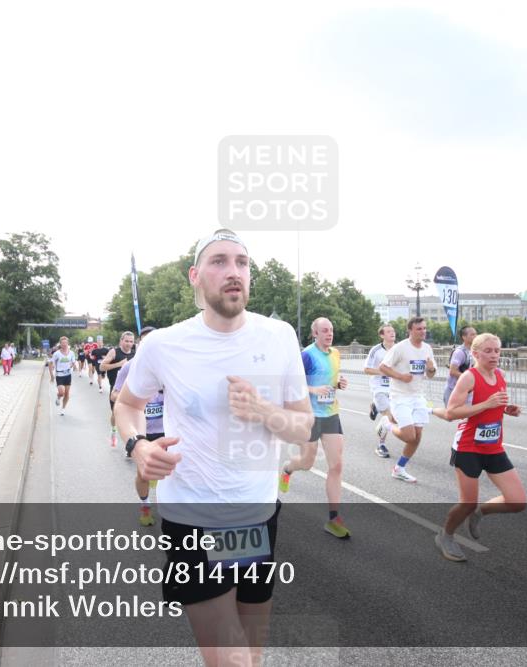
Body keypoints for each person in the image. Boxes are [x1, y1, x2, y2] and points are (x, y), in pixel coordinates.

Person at [114, 229, 312, 667]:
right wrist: (138, 446)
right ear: (195, 276)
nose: (233, 271)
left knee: (251, 656)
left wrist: (264, 410)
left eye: (242, 262)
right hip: (194, 522)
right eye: (219, 261)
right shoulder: (163, 344)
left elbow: (303, 427)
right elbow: (126, 405)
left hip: (257, 518)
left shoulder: (279, 336)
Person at [435, 333, 525, 562]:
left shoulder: (500, 375)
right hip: (468, 447)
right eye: (488, 351)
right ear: (475, 354)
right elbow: (451, 412)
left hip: (493, 446)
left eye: (497, 350)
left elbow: (494, 406)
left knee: (517, 501)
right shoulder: (469, 377)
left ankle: (480, 512)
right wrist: (487, 404)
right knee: (467, 502)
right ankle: (446, 536)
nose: (494, 355)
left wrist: (506, 409)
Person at [279, 317, 351, 538]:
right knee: (307, 463)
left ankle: (334, 519)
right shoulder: (307, 355)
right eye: (324, 330)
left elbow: (330, 380)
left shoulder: (336, 354)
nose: (329, 334)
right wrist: (313, 390)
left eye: (331, 330)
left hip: (331, 414)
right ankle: (288, 469)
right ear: (315, 334)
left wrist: (338, 384)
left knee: (336, 466)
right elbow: (291, 383)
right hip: (309, 416)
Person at [111, 326, 162, 526]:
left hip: (166, 428)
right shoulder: (130, 367)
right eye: (145, 341)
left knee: (176, 473)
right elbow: (114, 395)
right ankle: (145, 507)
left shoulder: (170, 365)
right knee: (143, 474)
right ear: (140, 344)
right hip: (142, 430)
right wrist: (132, 398)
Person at [379, 317, 437, 483]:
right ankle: (387, 424)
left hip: (417, 396)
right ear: (410, 330)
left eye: (424, 328)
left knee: (417, 437)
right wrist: (400, 376)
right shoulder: (400, 348)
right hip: (400, 396)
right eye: (419, 329)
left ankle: (399, 469)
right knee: (409, 436)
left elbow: (431, 375)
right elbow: (383, 367)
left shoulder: (427, 348)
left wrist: (431, 369)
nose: (423, 331)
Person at [364, 324, 397, 458]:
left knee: (395, 418)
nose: (392, 333)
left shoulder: (399, 349)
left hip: (394, 388)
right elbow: (366, 369)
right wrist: (383, 371)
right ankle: (381, 445)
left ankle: (375, 406)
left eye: (393, 331)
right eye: (388, 332)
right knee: (389, 417)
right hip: (379, 387)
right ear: (382, 335)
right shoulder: (376, 350)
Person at [101, 332, 137, 447]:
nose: (129, 344)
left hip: (131, 390)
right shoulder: (114, 352)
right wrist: (119, 364)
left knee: (130, 417)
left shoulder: (135, 354)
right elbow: (102, 367)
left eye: (131, 341)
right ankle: (113, 430)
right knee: (115, 415)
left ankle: (131, 443)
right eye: (126, 341)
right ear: (121, 341)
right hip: (116, 390)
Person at [444, 326, 477, 407]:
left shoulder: (474, 351)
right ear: (464, 337)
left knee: (467, 413)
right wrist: (469, 378)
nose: (475, 336)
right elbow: (453, 371)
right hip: (454, 390)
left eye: (476, 334)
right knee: (453, 413)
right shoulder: (459, 352)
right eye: (472, 334)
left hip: (467, 390)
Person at [48, 336, 79, 416]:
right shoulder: (57, 354)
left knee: (67, 394)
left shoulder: (71, 353)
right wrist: (52, 375)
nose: (64, 344)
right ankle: (58, 397)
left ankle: (63, 409)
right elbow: (50, 363)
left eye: (66, 343)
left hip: (68, 375)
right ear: (60, 344)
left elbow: (73, 362)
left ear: (68, 343)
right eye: (63, 343)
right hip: (60, 375)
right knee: (62, 392)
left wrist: (74, 366)